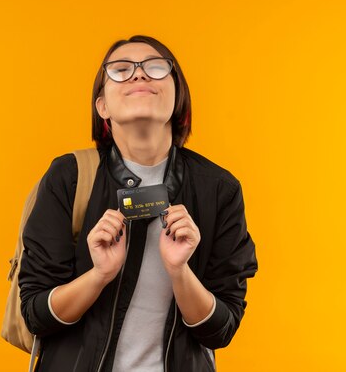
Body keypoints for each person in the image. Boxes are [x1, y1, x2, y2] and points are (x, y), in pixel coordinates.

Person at [18, 35, 258, 371]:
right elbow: (36, 315)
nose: (139, 75)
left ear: (178, 98)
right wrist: (99, 274)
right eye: (120, 69)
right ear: (102, 105)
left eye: (155, 68)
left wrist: (179, 271)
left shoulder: (219, 190)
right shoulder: (70, 177)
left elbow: (221, 329)